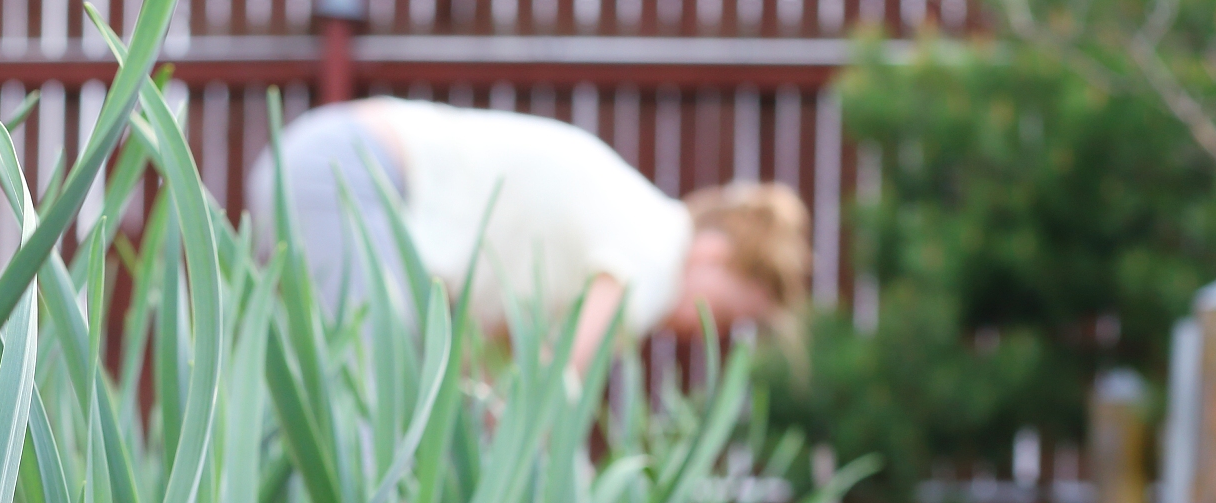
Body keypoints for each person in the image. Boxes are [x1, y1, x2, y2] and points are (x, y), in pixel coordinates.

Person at [244, 97, 810, 372]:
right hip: (354, 179)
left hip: (328, 159)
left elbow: (497, 373)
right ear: (715, 255)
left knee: (351, 401)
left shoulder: (632, 219)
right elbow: (548, 389)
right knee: (370, 411)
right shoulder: (660, 255)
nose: (707, 334)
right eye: (730, 315)